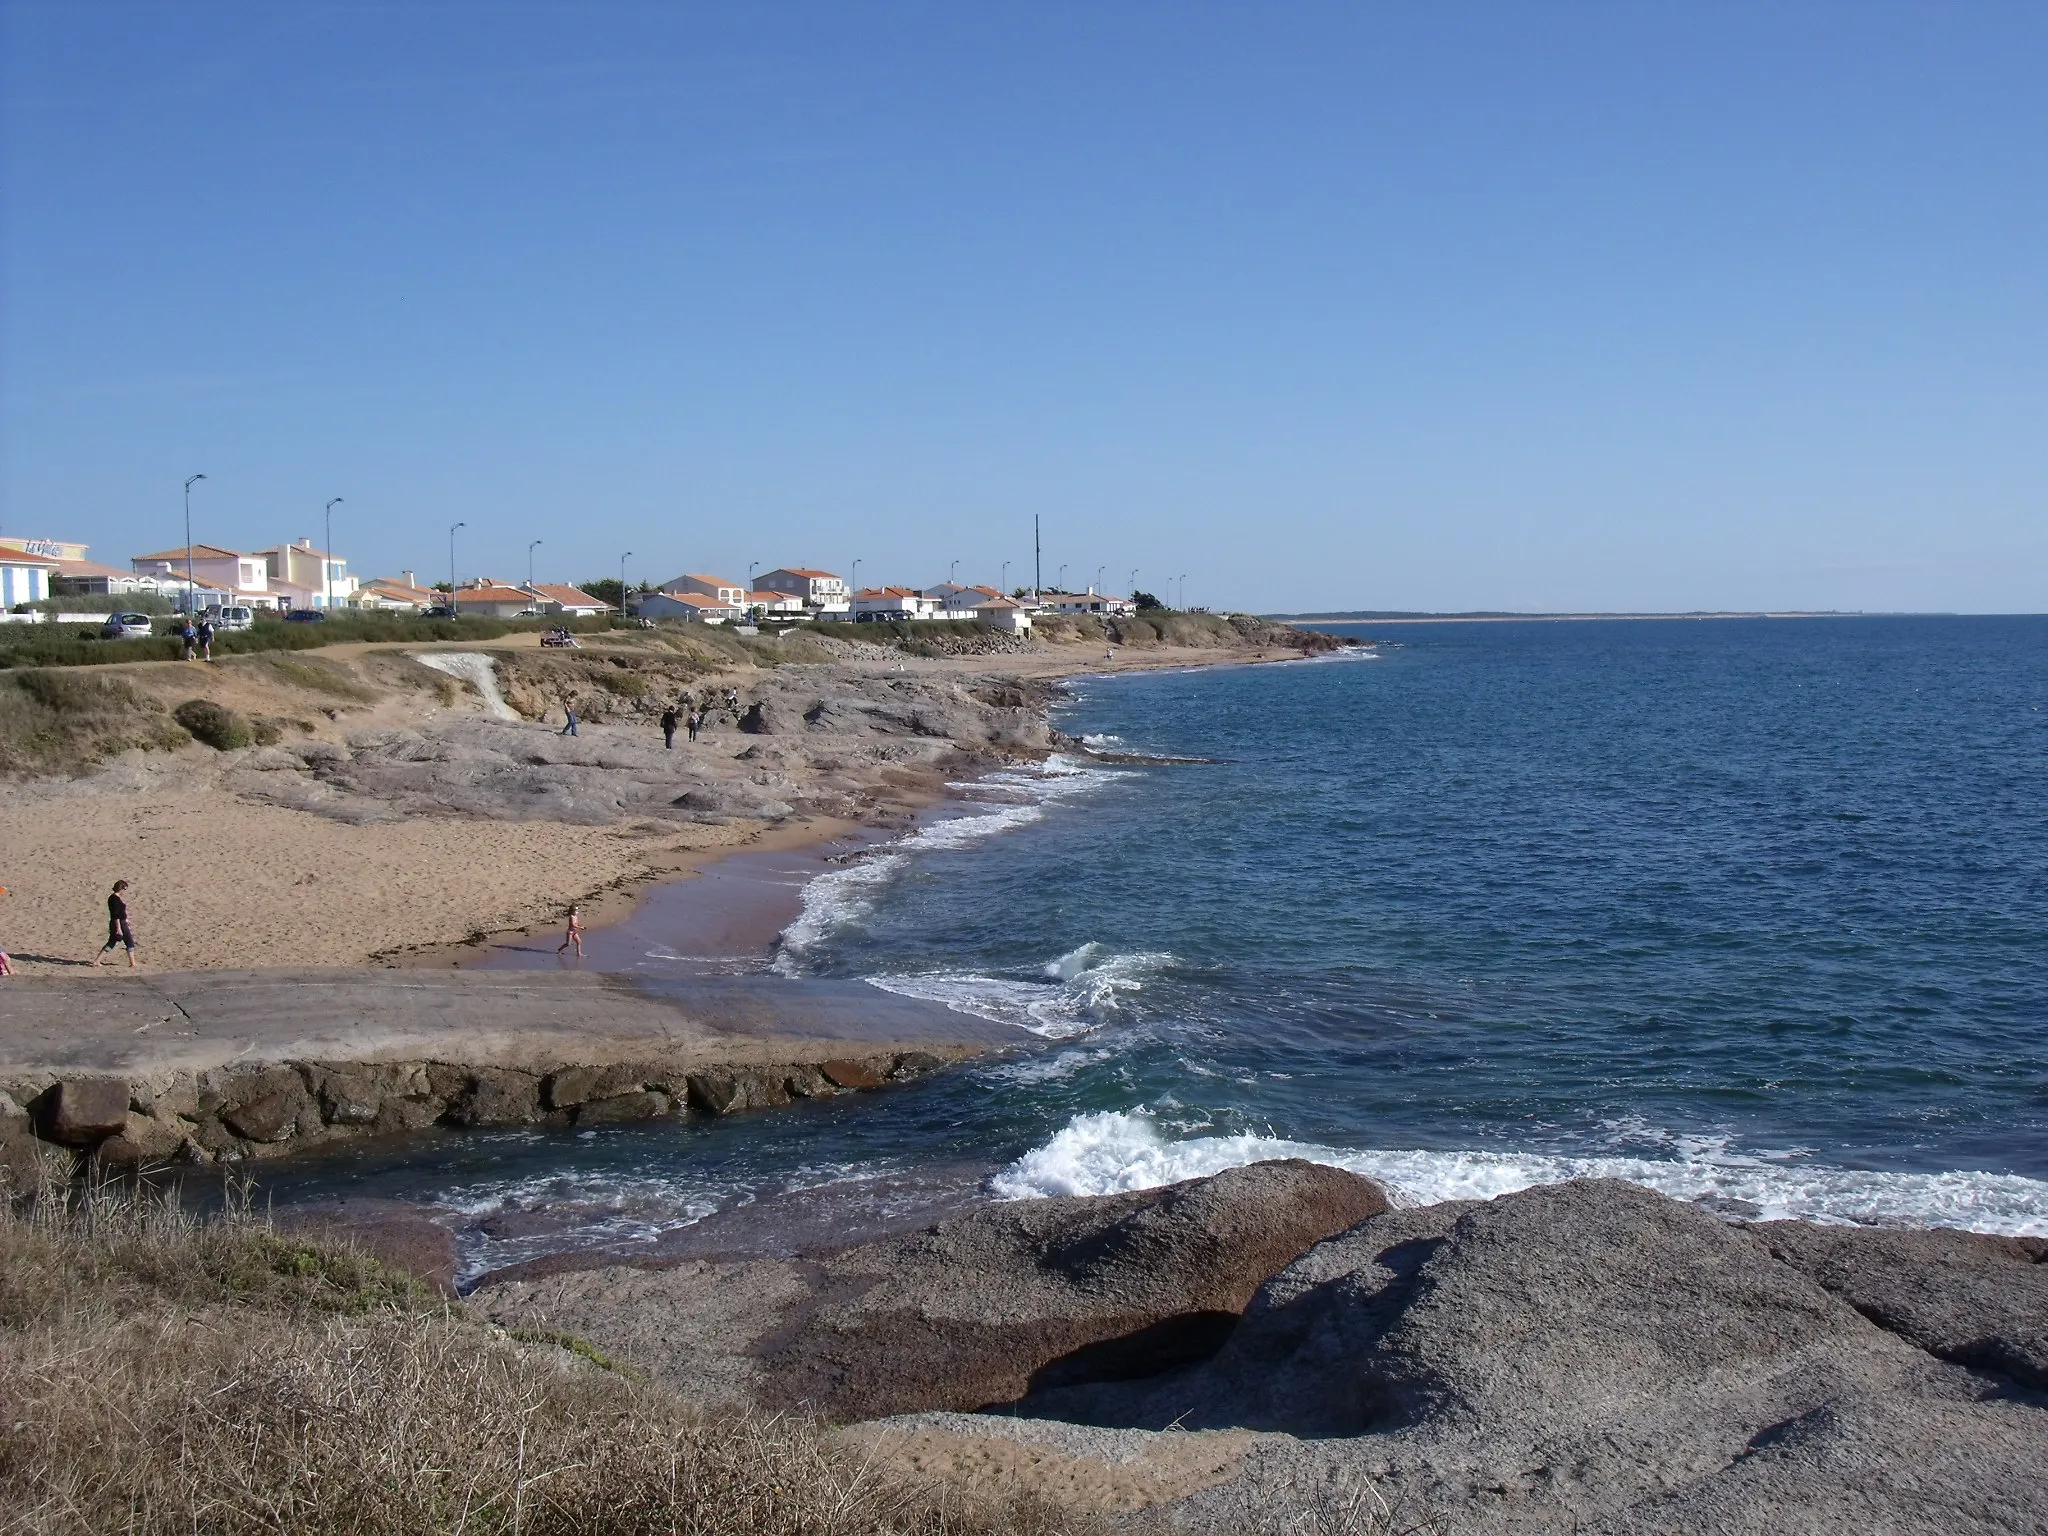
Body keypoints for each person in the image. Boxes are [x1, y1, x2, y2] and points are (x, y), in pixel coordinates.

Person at [95, 880, 137, 968]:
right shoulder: (114, 899)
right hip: (119, 924)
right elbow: (116, 915)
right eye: (124, 889)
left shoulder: (115, 898)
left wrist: (126, 919)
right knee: (129, 942)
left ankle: (97, 961)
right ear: (121, 888)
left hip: (121, 922)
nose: (124, 891)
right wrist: (118, 928)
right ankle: (132, 963)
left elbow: (120, 912)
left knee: (112, 942)